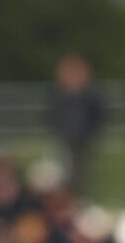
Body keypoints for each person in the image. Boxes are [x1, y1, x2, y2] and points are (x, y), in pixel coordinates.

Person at [45, 55, 106, 192]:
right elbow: (51, 116)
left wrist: (92, 132)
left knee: (83, 173)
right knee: (61, 172)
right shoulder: (58, 94)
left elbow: (98, 116)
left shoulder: (90, 95)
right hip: (63, 139)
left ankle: (80, 196)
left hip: (84, 139)